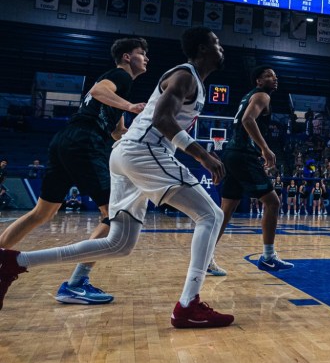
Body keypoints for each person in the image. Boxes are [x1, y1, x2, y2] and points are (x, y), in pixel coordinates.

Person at [0, 27, 233, 328]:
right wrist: (204, 155)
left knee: (119, 243)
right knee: (211, 215)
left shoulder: (194, 83)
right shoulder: (184, 76)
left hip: (125, 153)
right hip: (143, 152)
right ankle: (188, 304)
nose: (222, 48)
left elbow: (149, 121)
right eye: (216, 43)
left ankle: (14, 263)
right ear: (202, 49)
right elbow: (161, 120)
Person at [0, 37, 149, 305]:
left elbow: (117, 132)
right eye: (141, 53)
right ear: (127, 57)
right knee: (111, 215)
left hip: (67, 140)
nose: (146, 58)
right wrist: (130, 106)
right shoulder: (120, 76)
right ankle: (76, 282)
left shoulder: (120, 91)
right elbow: (98, 91)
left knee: (42, 213)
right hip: (84, 142)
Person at [207, 66, 291, 274]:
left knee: (225, 212)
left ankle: (205, 258)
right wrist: (265, 148)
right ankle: (268, 257)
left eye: (275, 75)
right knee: (272, 202)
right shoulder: (262, 96)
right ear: (259, 81)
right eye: (269, 75)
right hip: (244, 155)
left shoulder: (248, 96)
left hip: (232, 154)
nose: (275, 78)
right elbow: (247, 120)